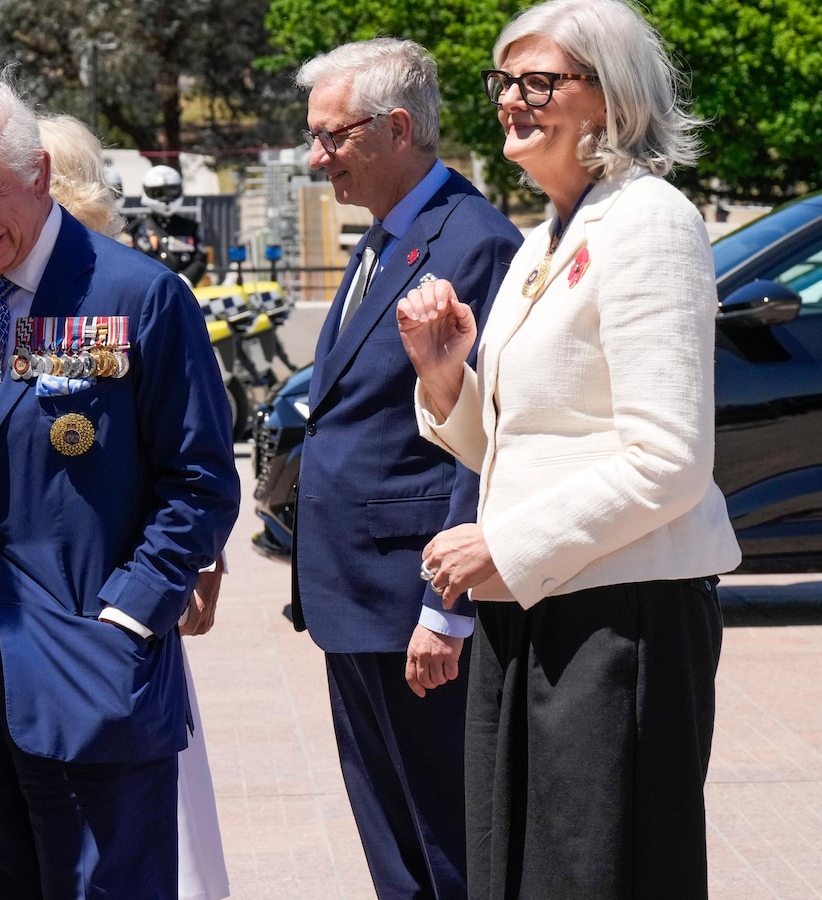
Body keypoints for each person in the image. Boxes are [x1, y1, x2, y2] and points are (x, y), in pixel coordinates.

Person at [397, 0, 740, 895]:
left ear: (613, 98)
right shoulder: (544, 239)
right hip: (533, 604)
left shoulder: (650, 222)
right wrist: (445, 379)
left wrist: (503, 545)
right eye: (504, 81)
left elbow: (669, 460)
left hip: (618, 619)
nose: (512, 99)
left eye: (540, 81)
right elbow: (529, 443)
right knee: (516, 871)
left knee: (599, 875)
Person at [0, 79, 239, 899]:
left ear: (40, 173)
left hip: (95, 687)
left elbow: (199, 479)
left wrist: (129, 617)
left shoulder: (137, 295)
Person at [288, 38, 522, 900]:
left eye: (333, 136)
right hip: (355, 596)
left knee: (446, 846)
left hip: (412, 603)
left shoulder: (474, 242)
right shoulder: (389, 236)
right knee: (394, 850)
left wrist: (445, 611)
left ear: (396, 128)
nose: (317, 158)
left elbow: (484, 436)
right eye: (312, 137)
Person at [124, 164, 208, 285]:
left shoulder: (190, 227)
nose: (166, 198)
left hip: (181, 289)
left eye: (172, 191)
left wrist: (185, 280)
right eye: (158, 192)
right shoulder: (135, 227)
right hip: (145, 287)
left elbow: (200, 258)